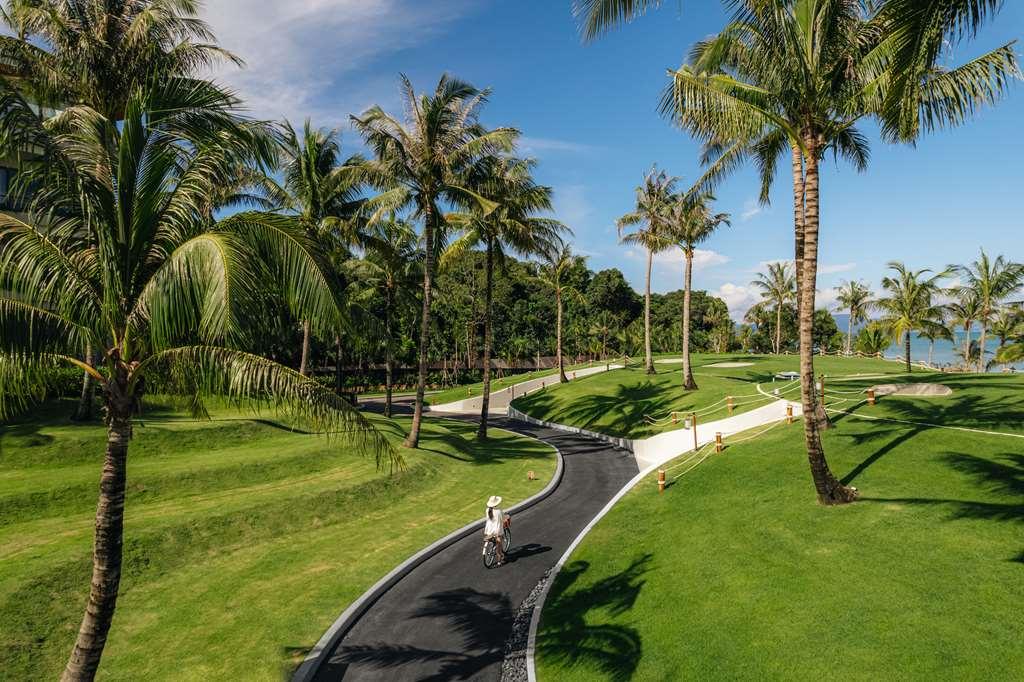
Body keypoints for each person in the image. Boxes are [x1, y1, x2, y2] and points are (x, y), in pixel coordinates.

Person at [484, 495, 508, 565]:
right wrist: (506, 517)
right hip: (497, 530)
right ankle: (499, 560)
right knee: (499, 544)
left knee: (493, 540)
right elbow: (503, 519)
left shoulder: (487, 510)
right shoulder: (499, 511)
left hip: (489, 529)